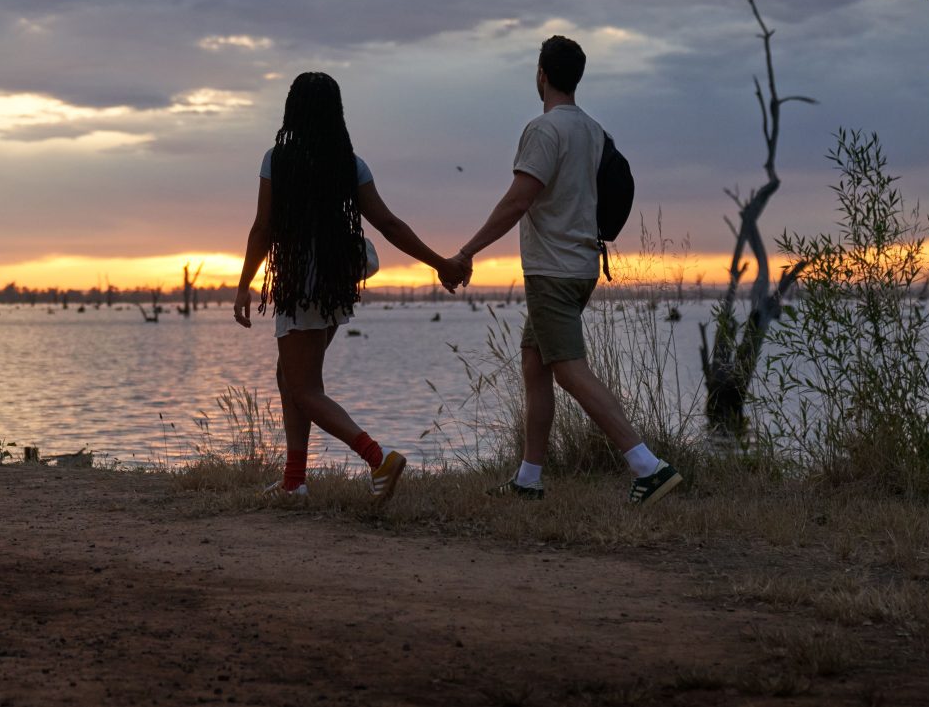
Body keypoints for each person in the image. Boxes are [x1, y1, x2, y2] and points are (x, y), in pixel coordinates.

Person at [437, 36, 683, 506]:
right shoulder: (593, 130)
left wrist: (467, 251)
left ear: (541, 75)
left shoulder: (544, 131)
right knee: (535, 362)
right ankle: (529, 478)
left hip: (552, 270)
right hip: (582, 266)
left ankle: (648, 466)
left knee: (569, 371)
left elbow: (518, 199)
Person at [234, 71, 461, 504]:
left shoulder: (277, 160)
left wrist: (244, 285)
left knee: (303, 389)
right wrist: (440, 264)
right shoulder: (349, 164)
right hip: (337, 285)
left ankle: (379, 459)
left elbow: (262, 229)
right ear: (336, 113)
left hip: (300, 283)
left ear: (292, 110)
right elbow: (390, 225)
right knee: (292, 379)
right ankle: (294, 482)